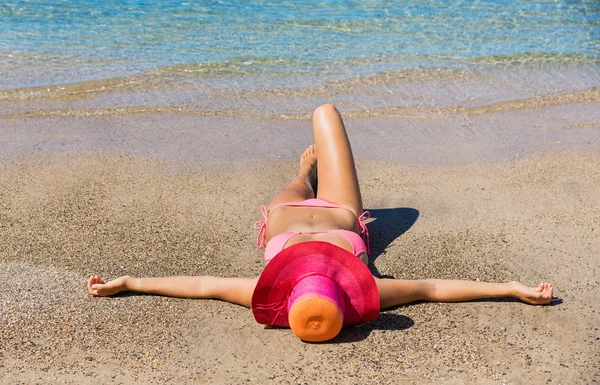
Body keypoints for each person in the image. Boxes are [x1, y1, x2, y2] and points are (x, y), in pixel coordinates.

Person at [88, 104, 553, 342]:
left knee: (300, 172)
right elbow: (433, 288)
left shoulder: (261, 292)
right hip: (341, 214)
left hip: (284, 216)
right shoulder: (368, 293)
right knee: (325, 112)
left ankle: (302, 175)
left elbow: (204, 284)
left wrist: (131, 281)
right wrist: (508, 288)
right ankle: (308, 174)